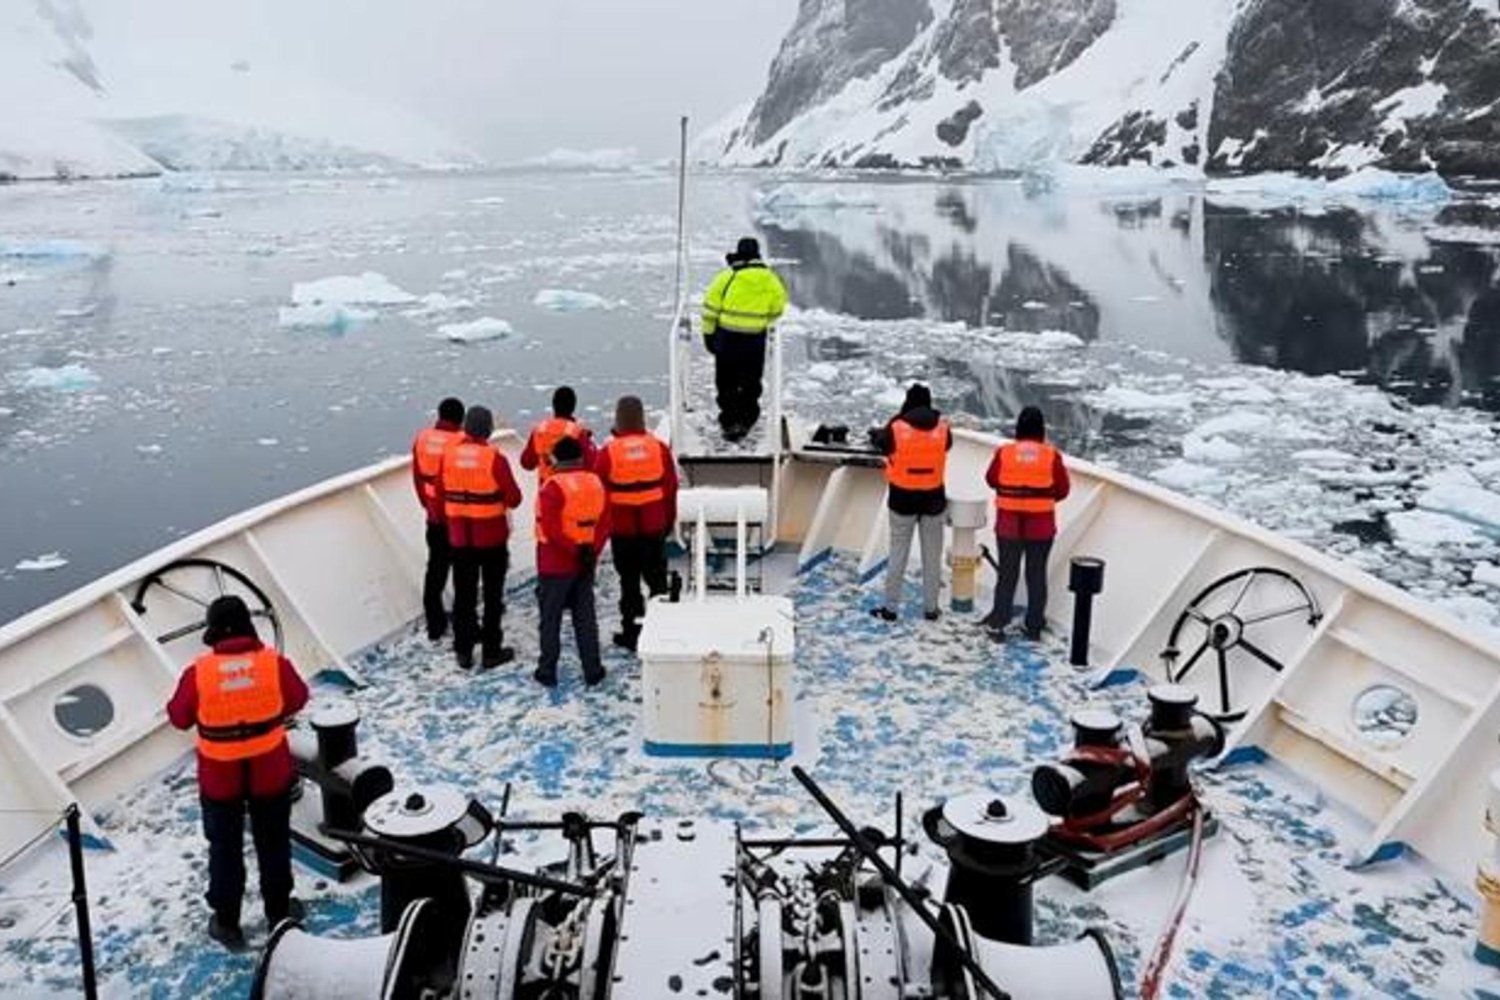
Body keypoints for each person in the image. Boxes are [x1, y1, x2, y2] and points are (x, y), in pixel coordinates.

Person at [166, 595, 309, 949]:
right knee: (273, 844)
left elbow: (179, 716)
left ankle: (227, 922)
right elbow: (298, 698)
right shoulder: (273, 664)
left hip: (220, 779)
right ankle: (280, 914)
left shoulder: (197, 673)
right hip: (270, 772)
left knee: (224, 849)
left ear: (213, 632)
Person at [437, 405, 523, 670]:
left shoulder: (448, 457)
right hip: (491, 538)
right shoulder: (494, 459)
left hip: (460, 538)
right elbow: (514, 498)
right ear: (488, 429)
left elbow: (440, 494)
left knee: (464, 596)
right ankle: (491, 651)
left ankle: (463, 652)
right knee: (493, 596)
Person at [594, 395, 678, 651]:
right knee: (657, 580)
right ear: (642, 419)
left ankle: (632, 632)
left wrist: (602, 530)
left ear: (618, 420)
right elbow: (671, 488)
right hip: (654, 528)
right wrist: (668, 522)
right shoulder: (659, 449)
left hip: (623, 531)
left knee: (629, 583)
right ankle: (662, 631)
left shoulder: (607, 453)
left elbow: (598, 493)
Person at [983, 406, 1071, 641]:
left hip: (1008, 526)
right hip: (1040, 528)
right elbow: (1063, 490)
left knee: (1007, 576)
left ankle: (998, 623)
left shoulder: (1004, 453)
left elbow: (991, 479)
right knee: (1036, 575)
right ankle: (1033, 626)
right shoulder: (1052, 455)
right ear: (1042, 429)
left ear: (1018, 428)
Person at [869, 384, 952, 622]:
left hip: (902, 499)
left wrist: (878, 434)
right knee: (932, 556)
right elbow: (946, 446)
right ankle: (931, 609)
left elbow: (882, 444)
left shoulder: (897, 426)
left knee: (898, 554)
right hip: (933, 499)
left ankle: (890, 609)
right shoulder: (943, 427)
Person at [535, 436, 611, 688]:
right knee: (585, 617)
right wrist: (591, 552)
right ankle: (593, 669)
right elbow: (605, 522)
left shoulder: (552, 487)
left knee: (551, 617)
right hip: (586, 561)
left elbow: (551, 528)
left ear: (556, 459)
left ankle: (547, 670)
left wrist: (574, 550)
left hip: (556, 562)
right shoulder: (596, 482)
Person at [699, 236, 788, 442]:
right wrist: (760, 320)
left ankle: (730, 420)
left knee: (726, 380)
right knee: (750, 380)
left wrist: (708, 335)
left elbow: (710, 308)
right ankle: (747, 419)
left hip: (727, 338)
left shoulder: (727, 276)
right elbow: (777, 307)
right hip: (754, 339)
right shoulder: (770, 278)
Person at [411, 397, 465, 641]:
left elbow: (418, 477)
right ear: (460, 418)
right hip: (459, 516)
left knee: (435, 570)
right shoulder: (460, 442)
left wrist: (428, 505)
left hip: (433, 514)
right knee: (464, 569)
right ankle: (465, 619)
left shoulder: (422, 439)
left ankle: (435, 624)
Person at [520, 386, 596, 483]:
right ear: (573, 407)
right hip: (572, 490)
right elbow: (592, 464)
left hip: (546, 490)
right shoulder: (578, 432)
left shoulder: (539, 430)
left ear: (554, 405)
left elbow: (527, 463)